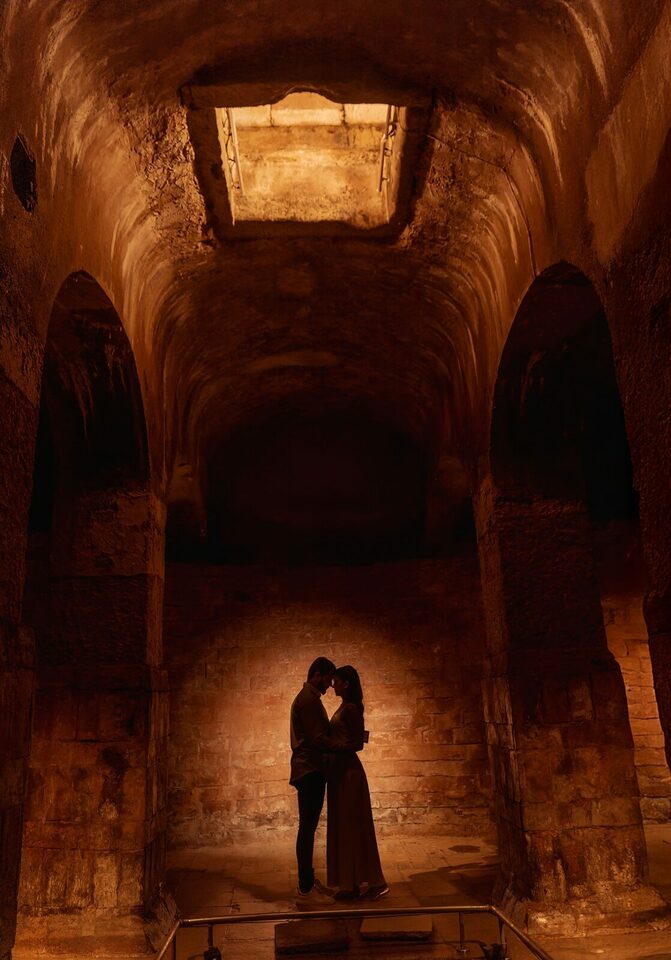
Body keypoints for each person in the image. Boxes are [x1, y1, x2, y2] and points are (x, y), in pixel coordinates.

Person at [326, 665, 388, 900]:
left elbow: (357, 744)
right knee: (346, 827)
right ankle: (350, 883)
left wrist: (332, 747)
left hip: (349, 773)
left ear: (346, 684)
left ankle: (371, 882)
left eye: (337, 681)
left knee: (353, 826)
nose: (333, 685)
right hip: (341, 772)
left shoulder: (351, 709)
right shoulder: (344, 706)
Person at [289, 656, 344, 905]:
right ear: (317, 675)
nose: (330, 686)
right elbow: (317, 738)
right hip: (309, 769)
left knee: (308, 828)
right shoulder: (308, 700)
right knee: (307, 828)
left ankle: (307, 881)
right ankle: (305, 887)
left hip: (309, 769)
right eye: (328, 680)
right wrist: (344, 746)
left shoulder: (309, 698)